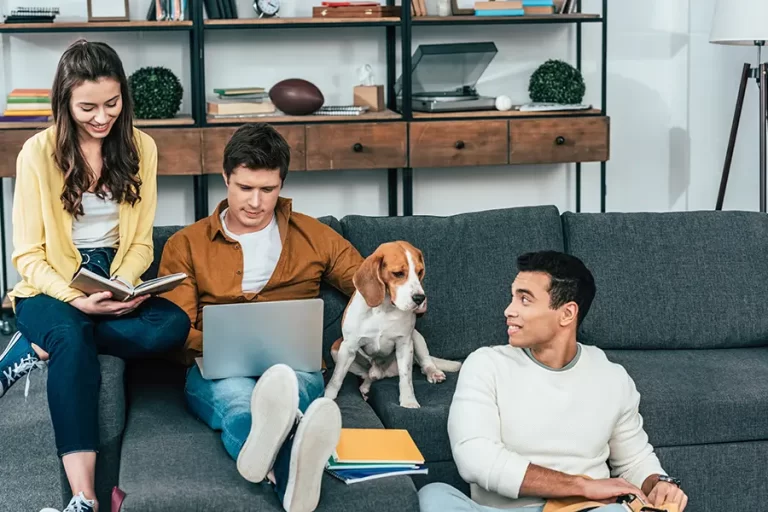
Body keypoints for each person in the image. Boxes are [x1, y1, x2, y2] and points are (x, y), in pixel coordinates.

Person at [0, 40, 191, 512]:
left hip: (111, 272)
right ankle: (84, 498)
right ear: (64, 101)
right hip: (50, 280)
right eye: (87, 107)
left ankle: (36, 343)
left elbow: (142, 241)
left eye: (112, 103)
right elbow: (26, 255)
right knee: (70, 333)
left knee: (171, 325)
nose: (102, 117)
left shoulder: (140, 147)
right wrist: (73, 296)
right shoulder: (36, 153)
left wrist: (122, 285)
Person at [158, 122, 364, 512]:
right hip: (218, 368)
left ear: (282, 184)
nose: (255, 202)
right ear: (226, 178)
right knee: (237, 401)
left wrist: (356, 333)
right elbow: (176, 328)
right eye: (245, 188)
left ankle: (269, 459)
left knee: (290, 387)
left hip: (293, 366)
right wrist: (229, 343)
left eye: (267, 190)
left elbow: (366, 285)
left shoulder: (314, 236)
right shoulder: (185, 245)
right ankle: (291, 462)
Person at [418, 251, 688, 512]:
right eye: (512, 297)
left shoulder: (612, 376)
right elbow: (474, 458)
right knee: (433, 495)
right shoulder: (485, 364)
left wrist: (659, 484)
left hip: (583, 511)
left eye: (524, 300)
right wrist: (581, 485)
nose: (508, 310)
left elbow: (634, 461)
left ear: (567, 314)